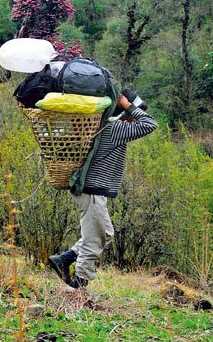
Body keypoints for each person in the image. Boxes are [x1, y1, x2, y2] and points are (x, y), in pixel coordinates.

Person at [48, 88, 157, 289]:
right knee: (93, 241)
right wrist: (128, 106)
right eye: (132, 113)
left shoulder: (105, 127)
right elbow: (150, 124)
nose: (134, 118)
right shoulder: (115, 129)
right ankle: (77, 287)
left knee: (105, 234)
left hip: (93, 192)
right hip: (92, 192)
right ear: (123, 112)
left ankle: (65, 258)